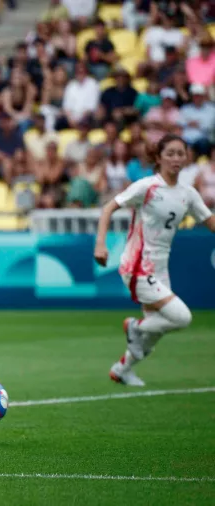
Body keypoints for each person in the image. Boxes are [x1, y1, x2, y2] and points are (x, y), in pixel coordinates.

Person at [94, 134, 215, 387]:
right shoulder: (147, 186)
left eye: (180, 153)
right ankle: (135, 327)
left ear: (187, 157)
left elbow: (210, 222)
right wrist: (101, 244)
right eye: (170, 153)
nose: (176, 158)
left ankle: (122, 369)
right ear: (158, 158)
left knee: (156, 330)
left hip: (160, 268)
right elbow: (108, 208)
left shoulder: (188, 194)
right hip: (138, 265)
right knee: (182, 318)